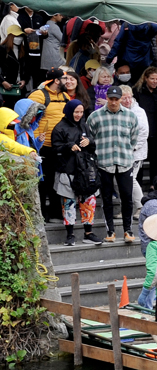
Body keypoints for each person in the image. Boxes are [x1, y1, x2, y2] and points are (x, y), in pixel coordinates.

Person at [86, 85, 140, 243]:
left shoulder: (130, 116)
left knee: (127, 197)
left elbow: (134, 138)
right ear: (107, 98)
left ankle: (128, 230)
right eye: (111, 99)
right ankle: (110, 231)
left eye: (117, 99)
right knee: (107, 198)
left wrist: (127, 150)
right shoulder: (96, 116)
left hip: (124, 161)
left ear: (121, 99)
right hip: (104, 161)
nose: (114, 102)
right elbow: (90, 136)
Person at [52, 98, 99, 245]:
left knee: (89, 201)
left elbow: (93, 146)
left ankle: (88, 232)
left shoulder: (84, 126)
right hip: (68, 170)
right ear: (68, 111)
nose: (78, 115)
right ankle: (70, 234)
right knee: (68, 203)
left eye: (80, 112)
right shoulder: (59, 128)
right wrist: (68, 146)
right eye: (75, 112)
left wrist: (90, 142)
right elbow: (55, 148)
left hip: (85, 170)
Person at [29, 69, 69, 215]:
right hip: (43, 145)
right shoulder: (38, 96)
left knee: (57, 180)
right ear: (57, 81)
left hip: (61, 145)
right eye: (64, 79)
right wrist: (35, 143)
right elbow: (29, 120)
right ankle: (42, 213)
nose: (67, 82)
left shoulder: (65, 96)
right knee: (43, 181)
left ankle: (56, 211)